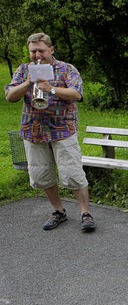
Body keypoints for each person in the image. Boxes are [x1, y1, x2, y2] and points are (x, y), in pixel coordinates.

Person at [4, 32, 95, 232]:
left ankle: (85, 213)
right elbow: (10, 96)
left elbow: (77, 94)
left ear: (51, 50)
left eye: (41, 50)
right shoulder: (23, 70)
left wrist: (50, 89)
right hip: (34, 131)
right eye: (33, 51)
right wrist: (28, 82)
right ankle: (58, 211)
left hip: (63, 129)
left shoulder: (66, 69)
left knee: (72, 173)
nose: (37, 55)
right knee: (42, 174)